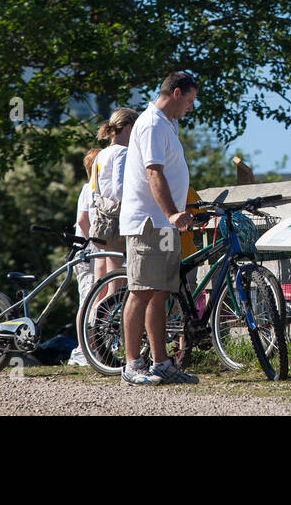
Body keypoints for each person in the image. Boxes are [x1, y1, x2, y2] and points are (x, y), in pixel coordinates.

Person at [118, 72, 201, 385]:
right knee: (140, 291)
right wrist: (172, 213)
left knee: (161, 292)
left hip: (166, 225)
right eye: (190, 100)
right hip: (149, 222)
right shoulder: (152, 123)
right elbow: (154, 173)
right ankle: (131, 365)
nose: (191, 108)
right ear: (176, 93)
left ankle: (161, 362)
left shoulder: (168, 123)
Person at [87, 107, 137, 312]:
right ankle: (100, 323)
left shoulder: (101, 155)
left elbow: (94, 188)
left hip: (103, 222)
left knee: (110, 282)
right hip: (119, 222)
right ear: (128, 128)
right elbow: (119, 189)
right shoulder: (123, 153)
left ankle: (93, 323)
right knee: (116, 288)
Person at [68, 147, 101, 368]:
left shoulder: (93, 189)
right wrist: (94, 244)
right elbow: (82, 221)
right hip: (88, 252)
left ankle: (95, 346)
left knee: (98, 299)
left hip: (95, 252)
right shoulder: (89, 189)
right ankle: (82, 349)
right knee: (87, 299)